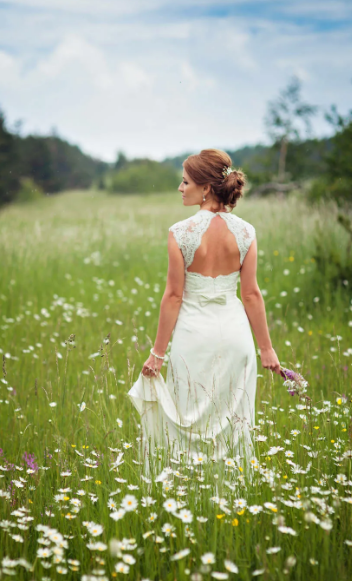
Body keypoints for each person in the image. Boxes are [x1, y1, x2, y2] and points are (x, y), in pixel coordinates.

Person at [127, 148, 280, 475]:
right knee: (234, 425)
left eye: (185, 182)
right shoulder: (246, 232)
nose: (180, 189)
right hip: (236, 338)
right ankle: (234, 491)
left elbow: (173, 296)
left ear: (206, 188)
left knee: (189, 421)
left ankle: (188, 491)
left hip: (193, 338)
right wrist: (266, 349)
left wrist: (157, 353)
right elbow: (251, 294)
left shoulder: (180, 233)